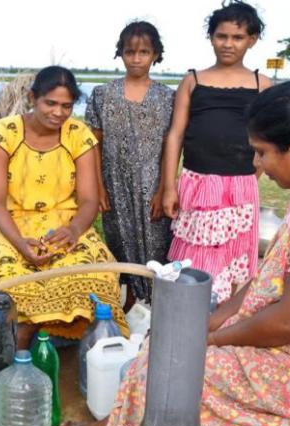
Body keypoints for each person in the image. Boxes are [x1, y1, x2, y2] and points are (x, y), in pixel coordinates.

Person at [107, 81, 290, 426]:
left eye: (261, 152)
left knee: (167, 372)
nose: (256, 163)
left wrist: (209, 341)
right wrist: (207, 324)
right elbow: (266, 281)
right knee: (164, 349)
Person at [0, 66, 129, 349]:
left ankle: (88, 347)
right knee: (12, 282)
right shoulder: (5, 133)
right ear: (33, 98)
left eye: (66, 106)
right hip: (14, 227)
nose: (58, 113)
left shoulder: (77, 134)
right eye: (51, 103)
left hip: (67, 225)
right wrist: (22, 244)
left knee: (96, 273)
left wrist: (73, 230)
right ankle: (20, 352)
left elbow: (88, 200)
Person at [161, 0, 272, 303]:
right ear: (211, 37)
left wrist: (252, 175)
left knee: (234, 256)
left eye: (237, 38)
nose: (228, 44)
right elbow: (176, 134)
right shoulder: (193, 80)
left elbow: (269, 139)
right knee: (195, 258)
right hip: (196, 184)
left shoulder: (262, 84)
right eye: (221, 36)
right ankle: (191, 309)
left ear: (252, 40)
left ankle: (224, 319)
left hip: (240, 186)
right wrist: (170, 187)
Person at [85, 21, 174, 306]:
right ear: (120, 54)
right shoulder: (102, 94)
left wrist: (164, 188)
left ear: (156, 54)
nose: (136, 59)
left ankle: (158, 303)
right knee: (120, 240)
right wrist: (99, 187)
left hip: (154, 185)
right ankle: (129, 301)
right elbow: (93, 145)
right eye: (130, 52)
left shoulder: (168, 97)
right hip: (115, 183)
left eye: (144, 52)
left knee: (156, 243)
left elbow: (172, 145)